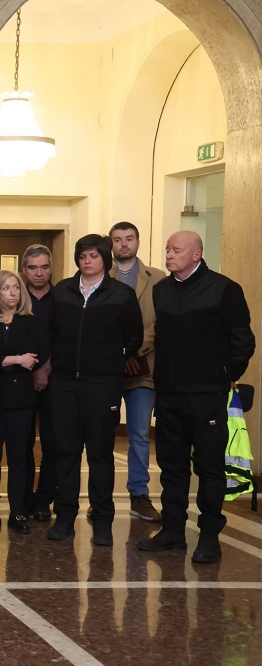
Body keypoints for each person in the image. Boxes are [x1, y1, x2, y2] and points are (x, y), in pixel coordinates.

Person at [137, 231, 255, 564]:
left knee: (209, 467)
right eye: (167, 249)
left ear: (196, 254)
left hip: (207, 395)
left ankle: (209, 536)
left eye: (176, 250)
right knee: (171, 467)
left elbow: (243, 342)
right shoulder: (161, 290)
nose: (169, 254)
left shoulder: (224, 289)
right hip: (169, 395)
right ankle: (173, 530)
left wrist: (223, 375)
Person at [46, 234, 142, 547]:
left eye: (94, 256)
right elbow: (50, 332)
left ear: (105, 259)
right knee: (66, 453)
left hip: (103, 385)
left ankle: (102, 520)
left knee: (100, 454)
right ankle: (64, 517)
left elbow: (134, 337)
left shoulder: (121, 294)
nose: (87, 261)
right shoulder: (62, 291)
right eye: (83, 256)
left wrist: (112, 359)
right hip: (64, 384)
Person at [108, 222, 166, 522]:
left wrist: (133, 350)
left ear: (138, 242)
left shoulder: (157, 278)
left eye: (129, 238)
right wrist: (120, 354)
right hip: (108, 370)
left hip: (143, 369)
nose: (124, 244)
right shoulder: (100, 276)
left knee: (140, 434)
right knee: (102, 435)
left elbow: (162, 321)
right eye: (117, 239)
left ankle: (139, 495)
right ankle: (101, 498)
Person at [0, 270, 38, 535]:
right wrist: (16, 359)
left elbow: (33, 358)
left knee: (18, 458)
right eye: (5, 288)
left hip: (20, 401)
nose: (12, 293)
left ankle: (18, 511)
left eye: (16, 287)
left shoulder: (29, 322)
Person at [21, 244, 56, 521]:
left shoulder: (64, 297)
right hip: (20, 380)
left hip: (56, 380)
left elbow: (68, 339)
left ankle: (44, 499)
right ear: (24, 269)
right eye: (33, 268)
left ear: (51, 268)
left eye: (44, 267)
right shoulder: (14, 296)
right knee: (22, 443)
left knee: (52, 443)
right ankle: (23, 498)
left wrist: (45, 370)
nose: (39, 273)